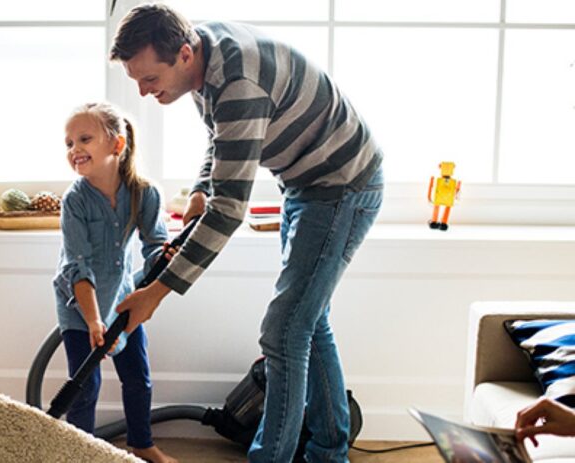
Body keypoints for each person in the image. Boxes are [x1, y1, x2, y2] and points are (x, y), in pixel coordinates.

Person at [109, 4, 384, 462]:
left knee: (284, 331)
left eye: (149, 79)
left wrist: (157, 292)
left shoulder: (238, 81)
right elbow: (226, 138)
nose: (143, 91)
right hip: (303, 184)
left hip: (342, 186)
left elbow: (229, 212)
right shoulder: (202, 59)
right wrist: (202, 187)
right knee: (307, 323)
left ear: (182, 54)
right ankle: (330, 451)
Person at [53, 102, 178, 463]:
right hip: (80, 306)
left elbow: (155, 247)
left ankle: (141, 443)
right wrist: (93, 320)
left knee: (138, 377)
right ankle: (82, 453)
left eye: (84, 139)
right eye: (68, 143)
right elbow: (78, 266)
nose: (74, 149)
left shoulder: (145, 193)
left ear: (117, 145)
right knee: (85, 385)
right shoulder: (75, 201)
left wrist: (164, 260)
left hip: (124, 300)